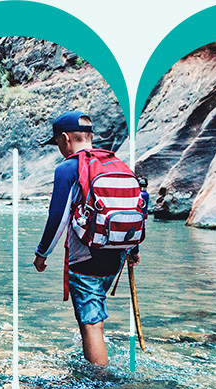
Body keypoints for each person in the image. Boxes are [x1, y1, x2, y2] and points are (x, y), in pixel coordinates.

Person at [33, 110, 140, 366]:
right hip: (116, 255)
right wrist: (133, 249)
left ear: (66, 138)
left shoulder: (68, 168)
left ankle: (100, 388)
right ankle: (93, 366)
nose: (59, 147)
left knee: (92, 325)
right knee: (91, 319)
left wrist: (42, 253)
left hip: (86, 258)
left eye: (58, 142)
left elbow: (58, 216)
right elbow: (131, 207)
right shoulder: (118, 164)